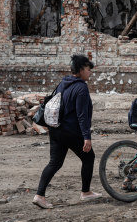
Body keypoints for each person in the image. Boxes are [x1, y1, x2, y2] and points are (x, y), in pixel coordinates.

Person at [33, 54, 101, 209]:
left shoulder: (64, 82)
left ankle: (39, 195)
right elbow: (82, 115)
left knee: (55, 163)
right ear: (82, 69)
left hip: (55, 129)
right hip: (70, 131)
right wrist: (87, 137)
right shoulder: (81, 87)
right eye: (89, 69)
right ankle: (86, 192)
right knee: (89, 157)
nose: (90, 72)